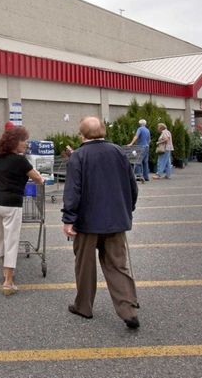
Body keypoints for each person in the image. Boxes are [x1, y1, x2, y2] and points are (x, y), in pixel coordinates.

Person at [61, 116, 140, 329]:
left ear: (82, 134)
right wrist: (128, 209)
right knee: (117, 265)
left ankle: (83, 307)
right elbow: (132, 185)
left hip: (87, 223)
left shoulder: (78, 156)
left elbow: (73, 191)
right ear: (103, 131)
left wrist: (69, 219)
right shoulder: (118, 152)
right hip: (115, 220)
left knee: (84, 266)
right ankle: (128, 309)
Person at [0, 126, 44, 296]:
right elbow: (37, 178)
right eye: (24, 141)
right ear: (15, 142)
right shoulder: (21, 161)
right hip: (11, 205)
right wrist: (41, 179)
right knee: (11, 241)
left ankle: (4, 272)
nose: (26, 144)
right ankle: (8, 282)